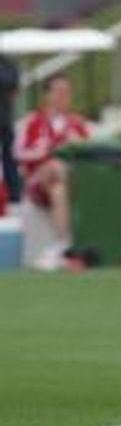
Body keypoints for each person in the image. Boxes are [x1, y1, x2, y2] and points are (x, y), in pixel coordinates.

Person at [14, 73, 90, 270]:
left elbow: (90, 153)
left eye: (66, 92)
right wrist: (45, 149)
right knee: (55, 167)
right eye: (58, 91)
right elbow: (18, 153)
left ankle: (63, 245)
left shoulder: (77, 123)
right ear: (47, 95)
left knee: (58, 185)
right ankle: (64, 245)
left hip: (67, 181)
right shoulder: (33, 121)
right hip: (38, 182)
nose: (63, 96)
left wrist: (78, 145)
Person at [0, 54, 20, 204]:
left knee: (9, 161)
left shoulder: (7, 65)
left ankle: (14, 197)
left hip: (4, 121)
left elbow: (11, 84)